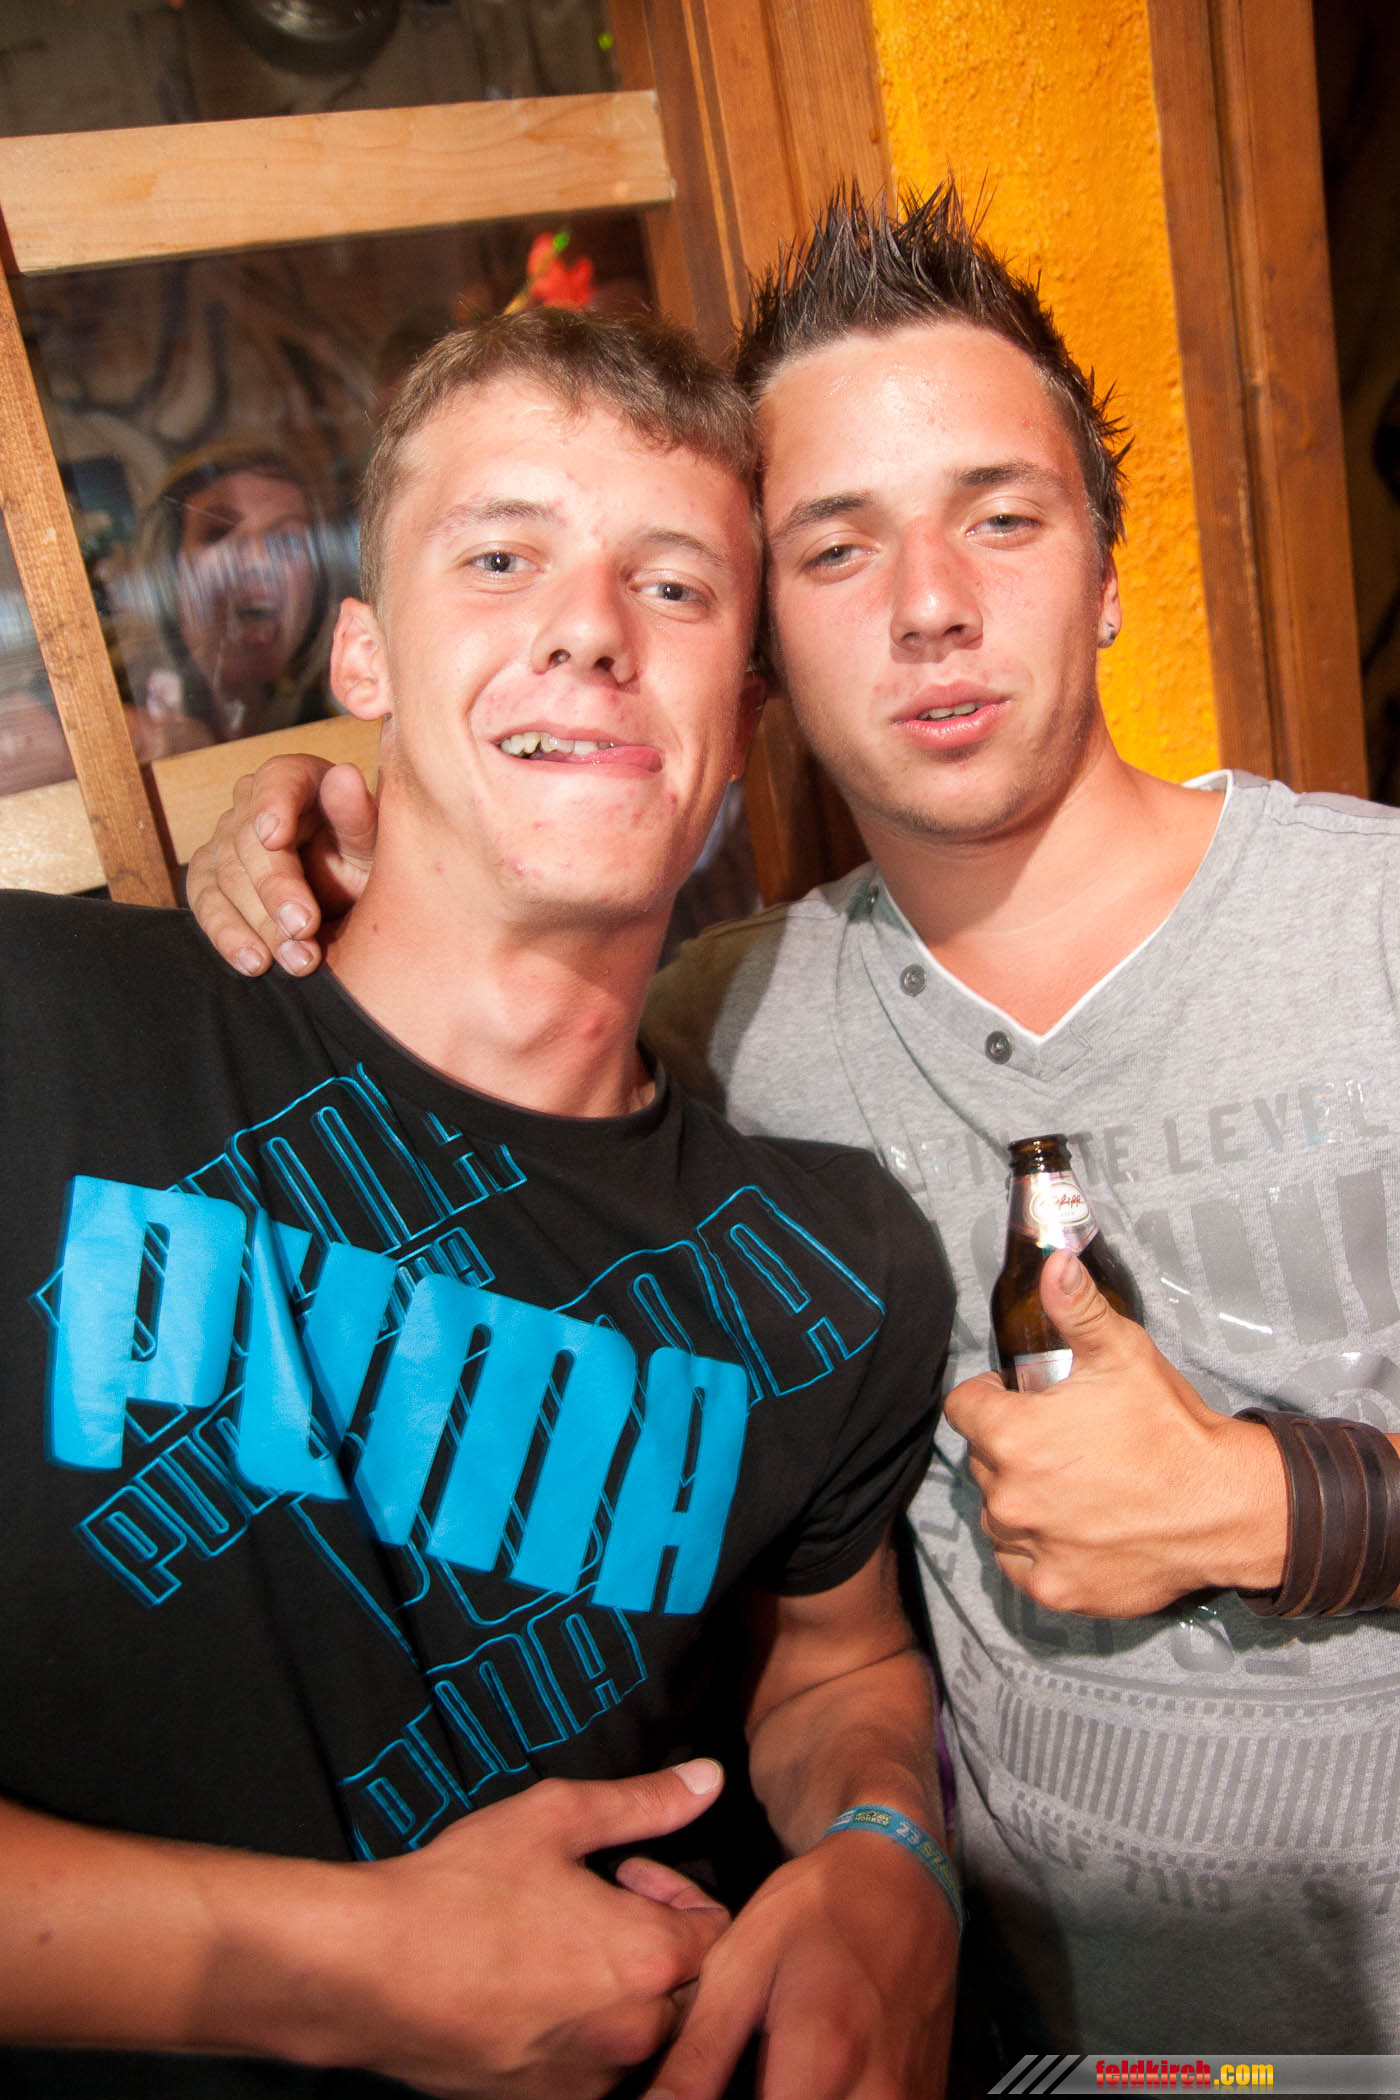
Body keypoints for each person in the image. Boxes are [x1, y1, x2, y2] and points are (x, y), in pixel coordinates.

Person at [188, 186, 1400, 2063]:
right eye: (837, 549)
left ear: (1107, 570)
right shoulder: (716, 1033)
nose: (931, 605)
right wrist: (333, 828)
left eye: (1003, 518)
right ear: (760, 661)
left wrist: (1289, 1506)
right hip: (1026, 2037)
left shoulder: (1372, 921)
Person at [0, 307, 962, 2098]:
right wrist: (337, 1973)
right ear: (363, 651)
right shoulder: (39, 1038)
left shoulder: (833, 1271)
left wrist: (887, 1855)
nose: (590, 630)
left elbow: (835, 1673)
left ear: (743, 716)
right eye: (502, 557)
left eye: (673, 587)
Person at [122, 440, 338, 748]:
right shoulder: (110, 715)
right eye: (218, 534)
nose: (260, 561)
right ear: (169, 573)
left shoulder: (349, 724)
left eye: (287, 541)